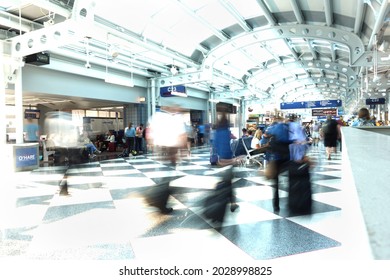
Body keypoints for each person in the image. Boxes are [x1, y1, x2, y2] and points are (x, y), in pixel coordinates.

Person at [212, 113, 240, 212]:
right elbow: (235, 137)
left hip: (220, 159)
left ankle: (232, 203)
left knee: (227, 181)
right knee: (228, 182)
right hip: (228, 159)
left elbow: (214, 145)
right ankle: (228, 202)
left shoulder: (217, 132)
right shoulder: (227, 132)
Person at [264, 116, 292, 212]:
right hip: (286, 158)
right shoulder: (286, 128)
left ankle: (276, 205)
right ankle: (291, 202)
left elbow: (266, 137)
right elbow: (291, 140)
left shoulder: (272, 129)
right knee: (290, 180)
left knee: (276, 184)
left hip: (275, 159)